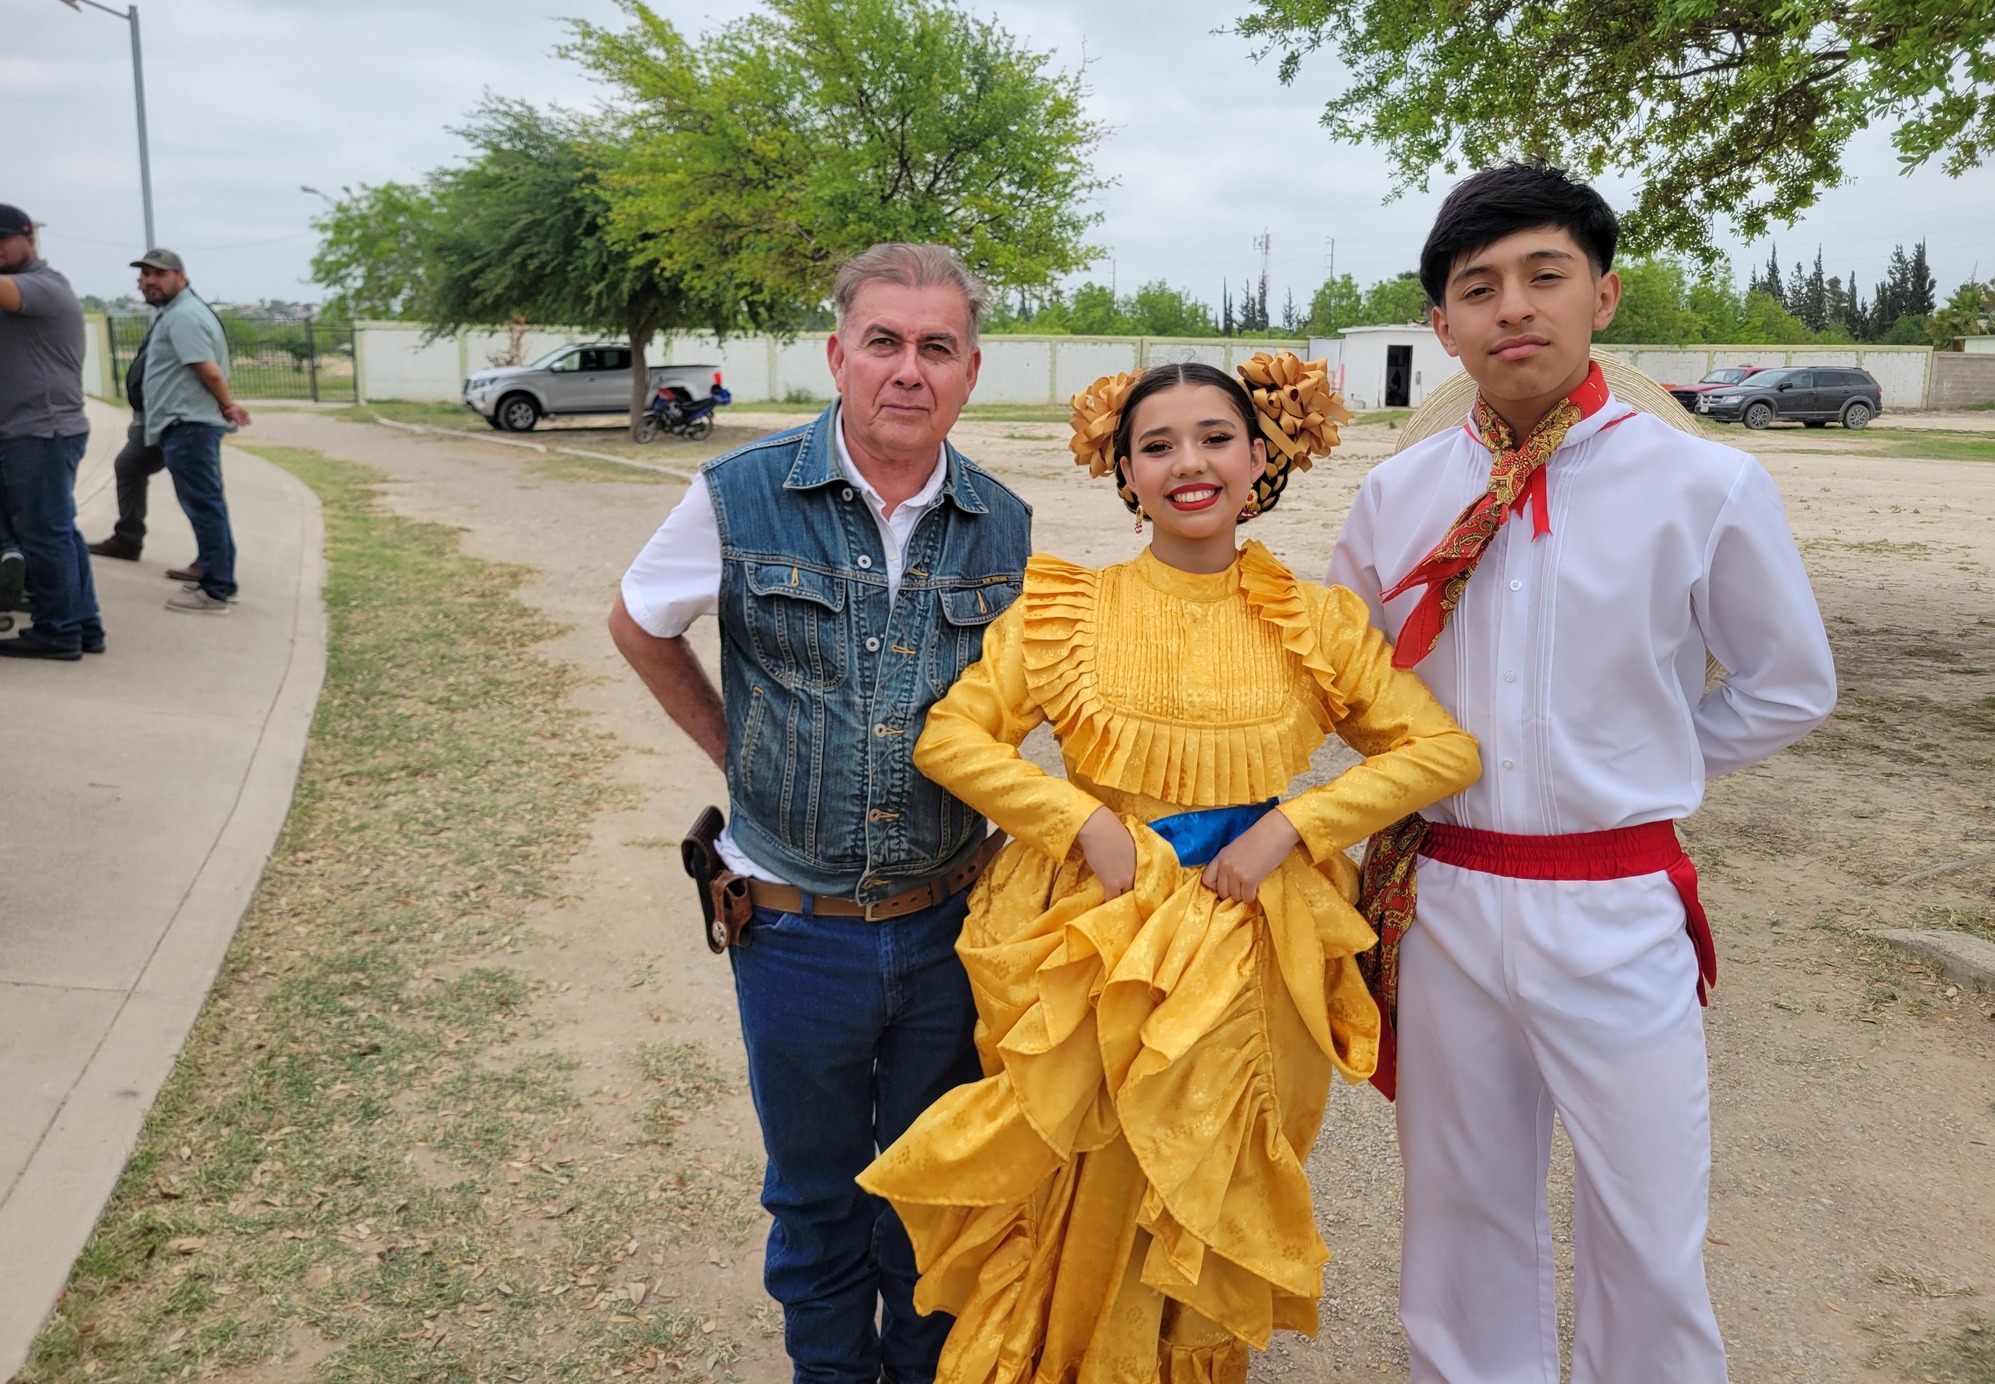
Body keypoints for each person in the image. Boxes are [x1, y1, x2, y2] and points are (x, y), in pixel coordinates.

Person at [859, 358, 1482, 1382]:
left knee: (1205, 1189)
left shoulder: (1315, 621)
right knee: (1075, 1184)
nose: (1187, 464)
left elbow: (1439, 752)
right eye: (1156, 446)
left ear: (1260, 457)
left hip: (1249, 954)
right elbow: (952, 737)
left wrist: (1294, 826)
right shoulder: (1068, 607)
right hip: (1097, 938)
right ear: (1124, 471)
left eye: (1214, 438)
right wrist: (1075, 822)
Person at [1325, 163, 1837, 1384]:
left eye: (1543, 276)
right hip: (1444, 898)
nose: (1513, 307)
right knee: (1459, 1215)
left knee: (1645, 1224)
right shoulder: (1398, 496)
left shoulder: (1701, 482)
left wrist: (1637, 762)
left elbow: (1785, 681)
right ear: (1439, 324)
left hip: (1615, 901)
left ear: (1600, 295)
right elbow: (1345, 689)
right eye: (1477, 287)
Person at [609, 244, 1033, 1384]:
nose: (908, 370)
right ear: (838, 353)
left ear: (970, 371)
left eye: (935, 347)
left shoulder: (1006, 526)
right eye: (883, 342)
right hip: (791, 933)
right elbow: (639, 621)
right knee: (814, 1204)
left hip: (949, 927)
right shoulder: (737, 495)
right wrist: (729, 748)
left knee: (930, 1199)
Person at [0, 203, 105, 660]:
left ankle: (58, 632)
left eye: (2, 239)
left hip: (40, 432)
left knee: (46, 535)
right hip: (36, 431)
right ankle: (84, 626)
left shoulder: (43, 286)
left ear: (29, 238)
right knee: (59, 533)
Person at [131, 249, 251, 613]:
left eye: (160, 274)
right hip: (184, 425)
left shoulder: (184, 315)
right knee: (205, 504)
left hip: (190, 427)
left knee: (204, 505)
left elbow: (208, 370)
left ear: (180, 277)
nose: (150, 281)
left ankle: (216, 591)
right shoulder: (178, 312)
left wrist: (228, 404)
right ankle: (215, 579)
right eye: (145, 275)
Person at [84, 324, 166, 563]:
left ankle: (215, 567)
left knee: (195, 488)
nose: (146, 285)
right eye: (141, 282)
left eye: (155, 282)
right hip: (150, 418)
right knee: (129, 465)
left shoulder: (184, 318)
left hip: (176, 419)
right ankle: (128, 540)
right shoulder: (163, 317)